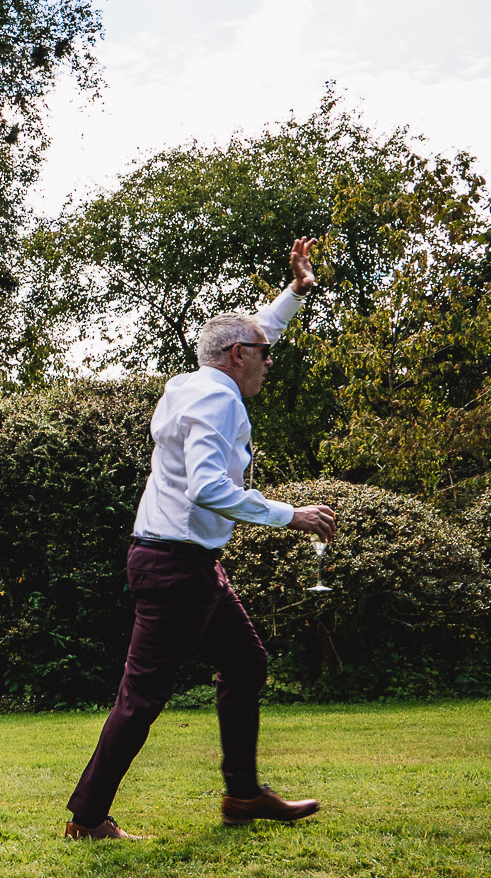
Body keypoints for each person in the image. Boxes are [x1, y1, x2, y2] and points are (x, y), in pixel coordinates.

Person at [64, 237, 341, 841]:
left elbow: (255, 330)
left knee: (245, 661)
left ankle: (242, 795)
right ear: (239, 357)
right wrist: (288, 515)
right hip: (176, 565)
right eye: (265, 356)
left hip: (183, 560)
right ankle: (87, 819)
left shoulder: (197, 383)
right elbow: (208, 489)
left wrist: (293, 293)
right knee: (142, 696)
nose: (271, 362)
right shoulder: (218, 402)